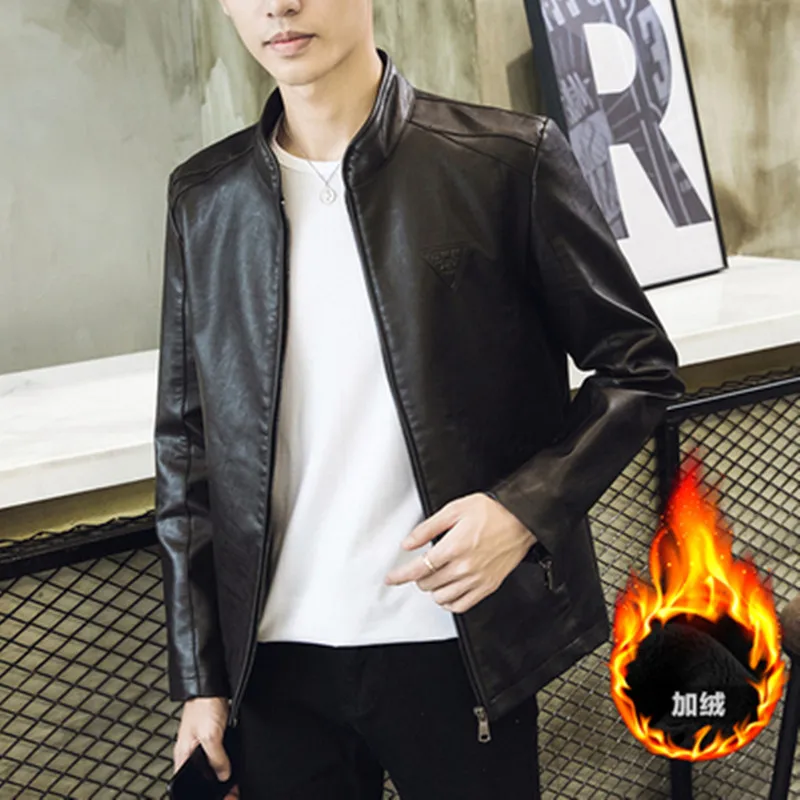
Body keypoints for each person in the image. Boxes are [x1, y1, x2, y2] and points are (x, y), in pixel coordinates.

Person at [153, 0, 685, 797]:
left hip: (453, 644)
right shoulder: (204, 198)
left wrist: (520, 512)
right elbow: (186, 446)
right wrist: (202, 681)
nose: (278, 6)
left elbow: (638, 367)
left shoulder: (505, 161)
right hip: (275, 668)